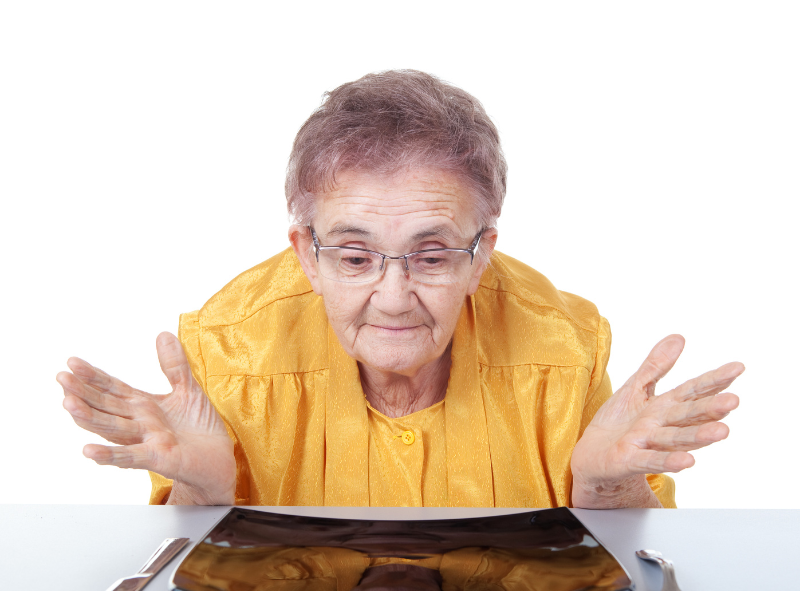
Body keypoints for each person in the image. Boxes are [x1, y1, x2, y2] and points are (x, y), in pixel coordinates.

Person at [57, 70, 743, 509]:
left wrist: (606, 491)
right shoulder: (227, 351)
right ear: (306, 254)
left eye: (432, 255)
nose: (392, 298)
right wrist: (204, 496)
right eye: (355, 258)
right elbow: (181, 576)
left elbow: (638, 575)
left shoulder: (563, 349)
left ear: (481, 258)